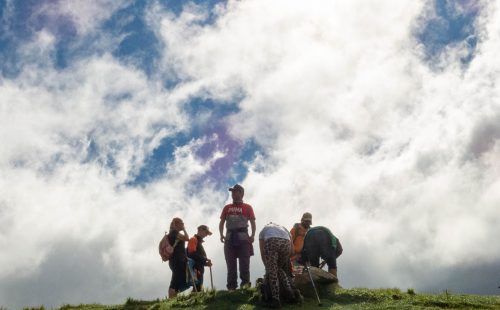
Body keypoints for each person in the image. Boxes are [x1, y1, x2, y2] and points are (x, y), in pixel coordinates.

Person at [219, 184, 256, 290]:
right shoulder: (227, 207)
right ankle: (231, 288)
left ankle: (245, 286)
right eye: (232, 192)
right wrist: (221, 234)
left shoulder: (248, 207)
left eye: (235, 191)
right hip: (229, 237)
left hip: (243, 237)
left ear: (241, 193)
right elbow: (221, 222)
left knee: (244, 263)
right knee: (231, 265)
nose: (233, 194)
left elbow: (253, 222)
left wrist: (252, 235)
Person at [259, 222, 302, 308]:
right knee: (279, 269)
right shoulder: (284, 228)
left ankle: (276, 300)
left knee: (273, 272)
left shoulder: (263, 231)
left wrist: (268, 266)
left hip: (271, 242)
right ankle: (291, 296)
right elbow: (292, 251)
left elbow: (262, 251)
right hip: (286, 243)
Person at [167, 217, 190, 298]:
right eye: (182, 223)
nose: (183, 225)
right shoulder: (174, 232)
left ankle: (174, 298)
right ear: (176, 224)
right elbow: (187, 238)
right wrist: (184, 230)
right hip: (176, 260)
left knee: (178, 280)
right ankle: (170, 300)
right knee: (175, 280)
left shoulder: (174, 233)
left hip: (178, 260)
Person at [187, 225, 213, 292]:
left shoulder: (198, 242)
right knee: (197, 288)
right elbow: (191, 253)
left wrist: (206, 263)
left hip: (199, 268)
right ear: (201, 230)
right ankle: (195, 301)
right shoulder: (193, 239)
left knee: (198, 288)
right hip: (195, 269)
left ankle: (194, 300)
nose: (206, 235)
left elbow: (197, 256)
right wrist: (205, 259)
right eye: (206, 232)